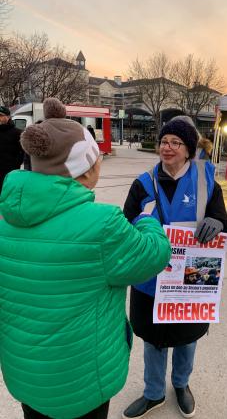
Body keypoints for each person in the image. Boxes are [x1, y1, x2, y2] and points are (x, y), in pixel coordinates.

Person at [0, 98, 171, 419]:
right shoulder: (102, 224)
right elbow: (153, 255)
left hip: (25, 372)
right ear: (86, 167)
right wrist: (148, 219)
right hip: (81, 378)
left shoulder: (4, 220)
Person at [122, 115, 227, 419]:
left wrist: (217, 222)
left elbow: (223, 224)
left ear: (188, 149)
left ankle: (181, 385)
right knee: (154, 339)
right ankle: (153, 393)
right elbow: (125, 226)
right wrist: (141, 224)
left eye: (175, 142)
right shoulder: (143, 183)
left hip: (191, 280)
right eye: (163, 141)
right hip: (151, 279)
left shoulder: (206, 180)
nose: (167, 147)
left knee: (187, 338)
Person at [0, 105, 24, 192]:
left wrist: (15, 165)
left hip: (10, 173)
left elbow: (22, 152)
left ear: (8, 117)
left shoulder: (18, 133)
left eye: (1, 115)